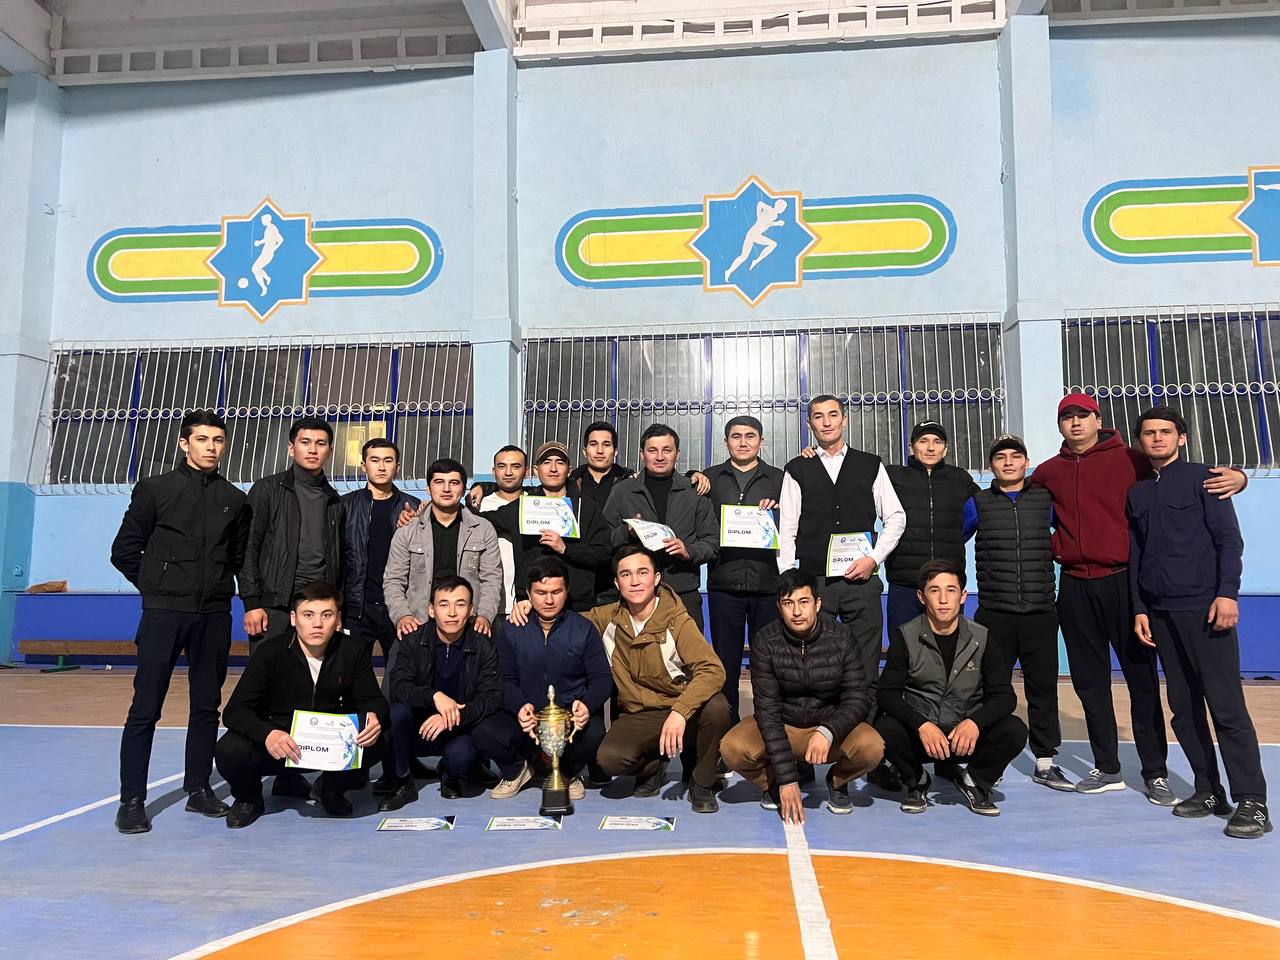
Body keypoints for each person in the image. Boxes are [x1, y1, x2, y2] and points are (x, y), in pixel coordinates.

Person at [1030, 392, 1246, 803]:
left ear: (1098, 420)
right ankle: (1107, 766)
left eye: (1083, 415)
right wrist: (1057, 545)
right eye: (1067, 417)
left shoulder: (1132, 459)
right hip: (1075, 585)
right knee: (1088, 682)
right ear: (1059, 425)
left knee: (1141, 680)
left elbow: (1181, 471)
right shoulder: (1048, 472)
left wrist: (1240, 476)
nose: (1075, 423)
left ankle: (1155, 771)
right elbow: (1020, 501)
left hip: (1125, 582)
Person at [1128, 406, 1270, 839]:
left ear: (1182, 437)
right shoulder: (1137, 493)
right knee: (1184, 709)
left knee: (1226, 707)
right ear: (1140, 441)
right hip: (1161, 614)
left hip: (1206, 610)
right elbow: (1137, 554)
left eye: (1165, 431)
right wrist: (1140, 607)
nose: (1157, 438)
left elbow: (1229, 540)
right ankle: (1209, 790)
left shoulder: (1206, 479)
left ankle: (1253, 801)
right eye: (1149, 433)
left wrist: (1227, 593)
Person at [109, 410, 250, 834]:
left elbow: (239, 559)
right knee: (145, 707)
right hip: (164, 614)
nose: (211, 447)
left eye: (218, 440)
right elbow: (124, 550)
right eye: (202, 439)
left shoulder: (234, 499)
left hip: (213, 615)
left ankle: (199, 790)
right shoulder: (155, 490)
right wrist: (158, 588)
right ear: (184, 443)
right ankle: (132, 800)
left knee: (206, 707)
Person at [558, 545, 730, 813]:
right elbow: (566, 622)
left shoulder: (677, 620)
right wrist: (530, 607)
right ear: (617, 583)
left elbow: (713, 669)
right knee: (609, 759)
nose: (635, 581)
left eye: (642, 572)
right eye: (626, 575)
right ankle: (653, 766)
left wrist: (680, 711)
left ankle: (702, 781)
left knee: (717, 707)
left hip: (679, 709)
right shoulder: (607, 618)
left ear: (657, 578)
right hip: (640, 715)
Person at [213, 582, 387, 829]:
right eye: (308, 615)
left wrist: (374, 716)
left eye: (326, 615)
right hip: (281, 745)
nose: (317, 624)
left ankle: (329, 789)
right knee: (228, 749)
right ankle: (249, 799)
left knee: (383, 736)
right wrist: (268, 734)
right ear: (294, 619)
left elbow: (374, 700)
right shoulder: (270, 652)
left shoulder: (352, 650)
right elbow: (235, 711)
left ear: (338, 619)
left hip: (331, 745)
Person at [720, 569, 884, 823]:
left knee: (872, 747)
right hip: (784, 724)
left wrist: (828, 730)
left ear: (817, 604)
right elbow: (767, 711)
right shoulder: (765, 641)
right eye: (788, 603)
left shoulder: (842, 637)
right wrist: (787, 779)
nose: (796, 611)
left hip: (828, 727)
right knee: (731, 748)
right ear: (779, 607)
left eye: (803, 602)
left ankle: (837, 781)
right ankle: (773, 783)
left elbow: (858, 698)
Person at [961, 435, 1071, 791]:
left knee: (1043, 689)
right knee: (990, 689)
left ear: (1026, 462)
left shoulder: (1045, 500)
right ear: (990, 466)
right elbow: (951, 541)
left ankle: (1045, 760)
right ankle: (988, 760)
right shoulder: (978, 503)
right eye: (1000, 457)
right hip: (995, 613)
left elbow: (1073, 532)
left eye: (1015, 456)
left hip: (1040, 611)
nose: (1008, 462)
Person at [875, 561, 1028, 817]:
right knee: (884, 727)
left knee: (1014, 730)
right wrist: (922, 725)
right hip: (923, 739)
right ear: (921, 597)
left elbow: (1004, 697)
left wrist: (974, 723)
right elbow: (887, 693)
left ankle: (974, 781)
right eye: (934, 591)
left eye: (951, 590)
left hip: (964, 740)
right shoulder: (906, 636)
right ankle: (917, 780)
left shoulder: (982, 638)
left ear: (963, 596)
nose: (943, 599)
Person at [778, 395, 906, 685]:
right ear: (809, 424)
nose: (827, 422)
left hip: (862, 581)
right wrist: (789, 577)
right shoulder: (797, 468)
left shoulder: (870, 464)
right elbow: (787, 528)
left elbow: (896, 517)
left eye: (833, 415)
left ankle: (864, 715)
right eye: (818, 416)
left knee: (865, 668)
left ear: (844, 420)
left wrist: (874, 558)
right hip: (815, 581)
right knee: (815, 667)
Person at [481, 556, 613, 801]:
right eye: (541, 593)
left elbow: (602, 678)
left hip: (567, 721)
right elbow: (503, 679)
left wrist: (586, 705)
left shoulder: (583, 628)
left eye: (556, 592)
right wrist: (519, 706)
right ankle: (518, 770)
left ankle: (568, 773)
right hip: (526, 720)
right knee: (484, 729)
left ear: (567, 591)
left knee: (595, 731)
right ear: (528, 594)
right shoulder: (512, 628)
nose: (549, 600)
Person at [378, 576, 506, 810]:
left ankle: (449, 774)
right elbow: (398, 686)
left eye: (460, 604)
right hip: (419, 727)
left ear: (471, 609)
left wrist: (452, 716)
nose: (452, 613)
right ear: (431, 609)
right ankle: (403, 782)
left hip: (458, 727)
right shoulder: (412, 641)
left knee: (463, 756)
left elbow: (491, 697)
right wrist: (434, 696)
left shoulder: (483, 645)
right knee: (396, 713)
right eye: (444, 604)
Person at [702, 416, 784, 726]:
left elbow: (797, 522)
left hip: (767, 585)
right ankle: (728, 733)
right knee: (726, 666)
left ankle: (768, 730)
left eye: (750, 435)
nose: (743, 442)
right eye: (736, 436)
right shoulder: (710, 478)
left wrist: (778, 513)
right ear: (726, 442)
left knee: (767, 665)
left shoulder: (779, 479)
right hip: (724, 585)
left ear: (761, 441)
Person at [240, 417, 345, 654]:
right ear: (291, 448)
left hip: (318, 607)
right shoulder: (267, 489)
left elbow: (340, 561)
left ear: (329, 451)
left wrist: (337, 609)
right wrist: (252, 603)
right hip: (274, 606)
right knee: (268, 672)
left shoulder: (334, 501)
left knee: (313, 673)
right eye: (305, 442)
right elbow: (248, 548)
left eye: (320, 443)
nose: (312, 449)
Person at [603, 423, 719, 630]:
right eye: (652, 450)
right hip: (636, 596)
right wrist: (626, 533)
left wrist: (688, 551)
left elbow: (712, 542)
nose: (659, 457)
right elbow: (602, 540)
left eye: (667, 450)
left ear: (677, 454)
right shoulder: (622, 491)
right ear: (642, 454)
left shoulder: (694, 492)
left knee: (687, 650)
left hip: (683, 594)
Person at [383, 458, 502, 642]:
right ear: (428, 488)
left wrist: (485, 616)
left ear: (463, 489)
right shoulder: (407, 531)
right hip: (418, 624)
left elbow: (492, 579)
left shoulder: (483, 529)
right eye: (439, 482)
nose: (446, 489)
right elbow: (393, 580)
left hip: (469, 625)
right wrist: (402, 616)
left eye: (454, 483)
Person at [487, 441, 613, 612]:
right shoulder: (522, 506)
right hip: (530, 607)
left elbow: (603, 554)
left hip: (577, 607)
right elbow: (481, 519)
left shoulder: (587, 508)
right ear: (535, 470)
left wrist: (566, 549)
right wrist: (482, 487)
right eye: (546, 462)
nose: (553, 469)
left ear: (569, 470)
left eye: (560, 462)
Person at [883, 421, 978, 637]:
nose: (930, 448)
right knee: (903, 645)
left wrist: (954, 537)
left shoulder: (959, 478)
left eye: (937, 442)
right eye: (923, 441)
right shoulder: (893, 476)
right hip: (905, 581)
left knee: (947, 645)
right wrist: (815, 455)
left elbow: (978, 513)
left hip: (947, 582)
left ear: (945, 448)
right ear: (911, 447)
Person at [341, 438, 421, 663]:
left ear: (397, 466)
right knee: (351, 674)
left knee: (400, 674)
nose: (382, 467)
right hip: (357, 608)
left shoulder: (414, 507)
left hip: (399, 607)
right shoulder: (344, 506)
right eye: (375, 460)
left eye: (388, 460)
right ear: (363, 465)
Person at [469, 444, 528, 615]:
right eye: (502, 466)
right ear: (494, 471)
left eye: (515, 466)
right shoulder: (478, 505)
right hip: (484, 607)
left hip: (526, 605)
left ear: (526, 471)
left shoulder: (536, 503)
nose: (508, 472)